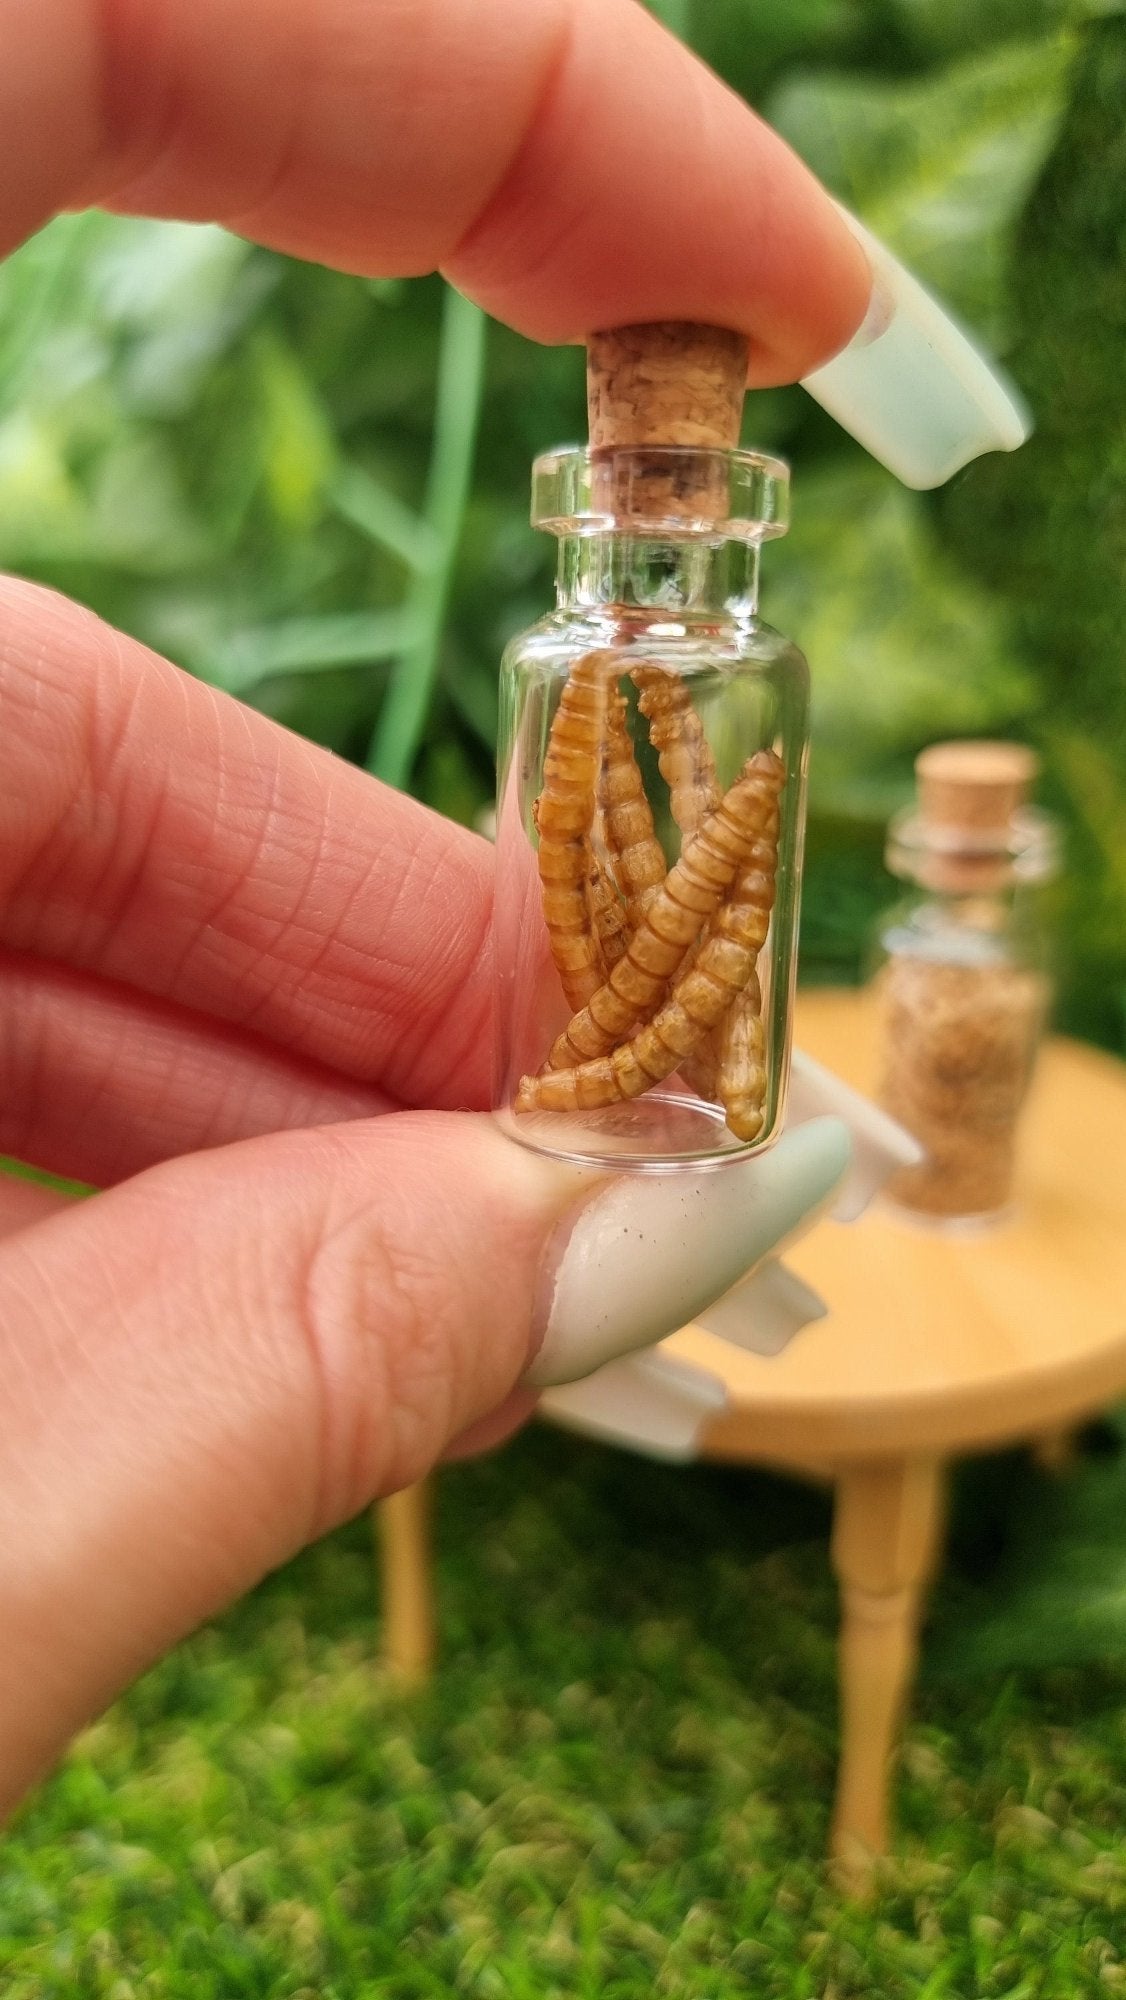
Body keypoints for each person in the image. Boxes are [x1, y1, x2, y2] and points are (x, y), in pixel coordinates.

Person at [0, 0, 1002, 1814]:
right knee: (611, 982)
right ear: (627, 497)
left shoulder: (725, 670)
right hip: (576, 1098)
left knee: (656, 962)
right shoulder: (587, 660)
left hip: (647, 1080)